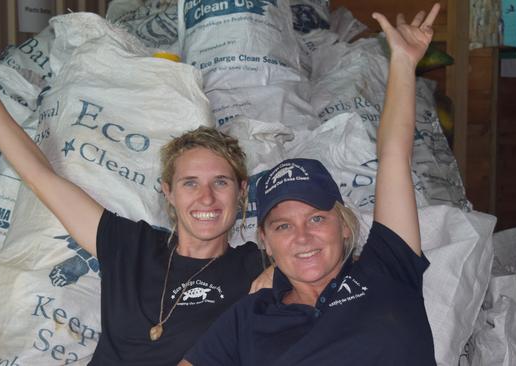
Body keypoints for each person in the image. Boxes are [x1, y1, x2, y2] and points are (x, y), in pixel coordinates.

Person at [0, 29, 271, 366]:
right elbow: (40, 177)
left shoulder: (252, 266)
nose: (206, 198)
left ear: (242, 191)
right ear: (168, 192)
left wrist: (281, 272)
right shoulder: (132, 246)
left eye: (221, 183)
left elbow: (317, 252)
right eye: (190, 183)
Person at [180, 3, 441, 365]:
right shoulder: (249, 318)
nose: (302, 237)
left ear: (345, 227)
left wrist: (403, 62)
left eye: (317, 218)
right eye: (283, 226)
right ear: (265, 243)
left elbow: (394, 155)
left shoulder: (387, 267)